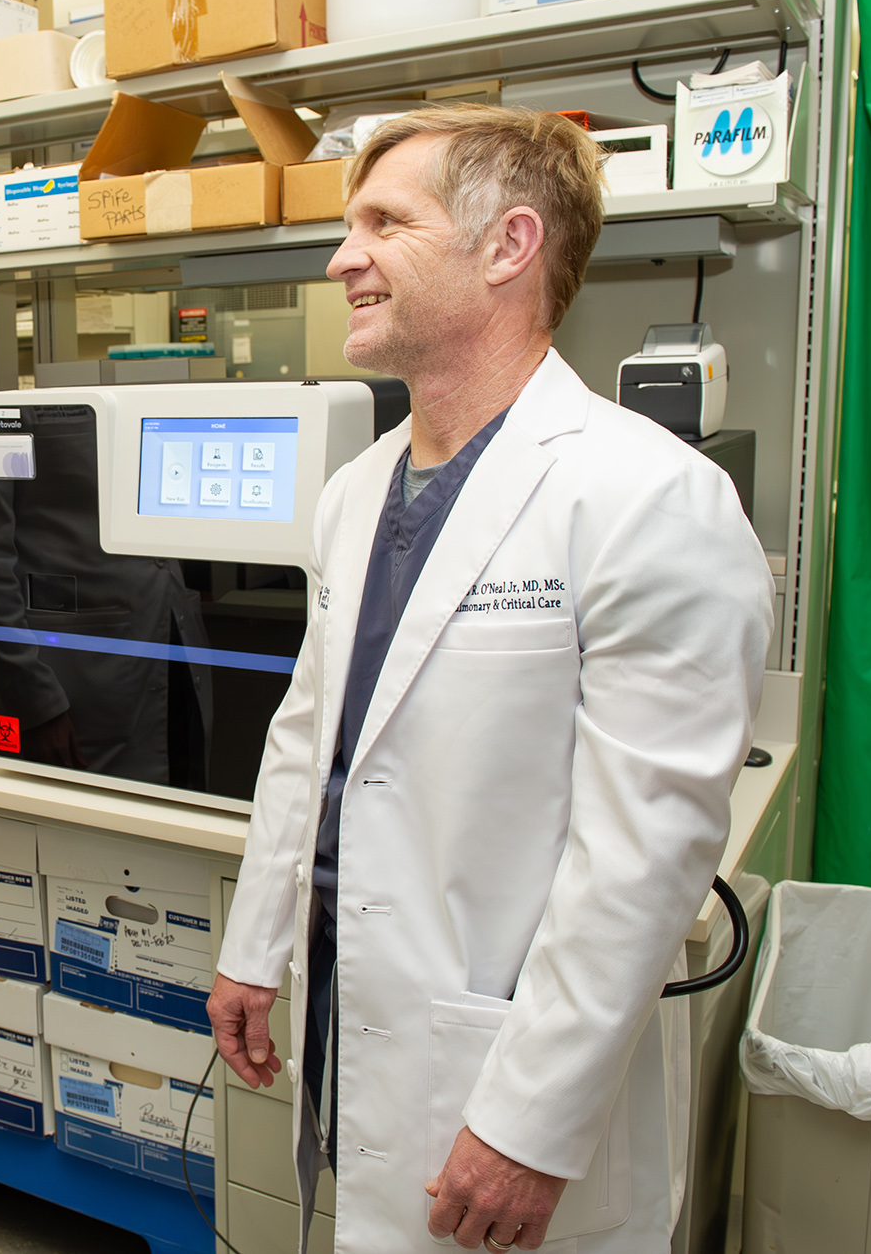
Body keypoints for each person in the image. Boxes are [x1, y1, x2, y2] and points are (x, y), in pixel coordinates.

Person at [206, 104, 772, 1253]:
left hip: (504, 1065)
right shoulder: (357, 491)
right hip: (351, 1019)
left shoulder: (646, 498)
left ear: (506, 246)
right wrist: (252, 942)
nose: (340, 256)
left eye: (381, 222)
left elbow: (642, 857)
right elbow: (307, 739)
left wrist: (527, 1122)